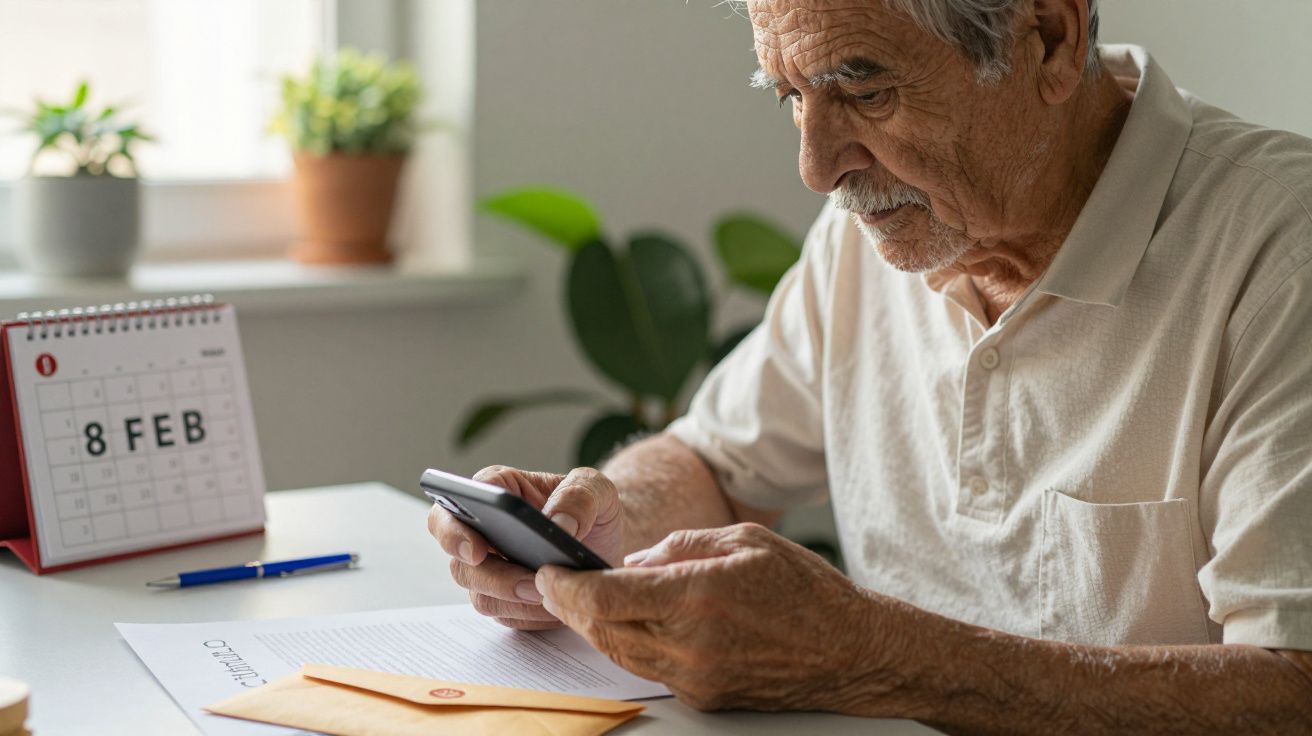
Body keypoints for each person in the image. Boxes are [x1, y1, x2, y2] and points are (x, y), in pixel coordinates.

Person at [431, 0, 1312, 729]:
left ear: (1048, 37)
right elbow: (716, 463)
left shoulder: (1281, 250)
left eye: (867, 88)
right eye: (789, 97)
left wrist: (878, 659)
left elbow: (1293, 686)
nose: (816, 168)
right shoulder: (885, 227)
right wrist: (603, 516)